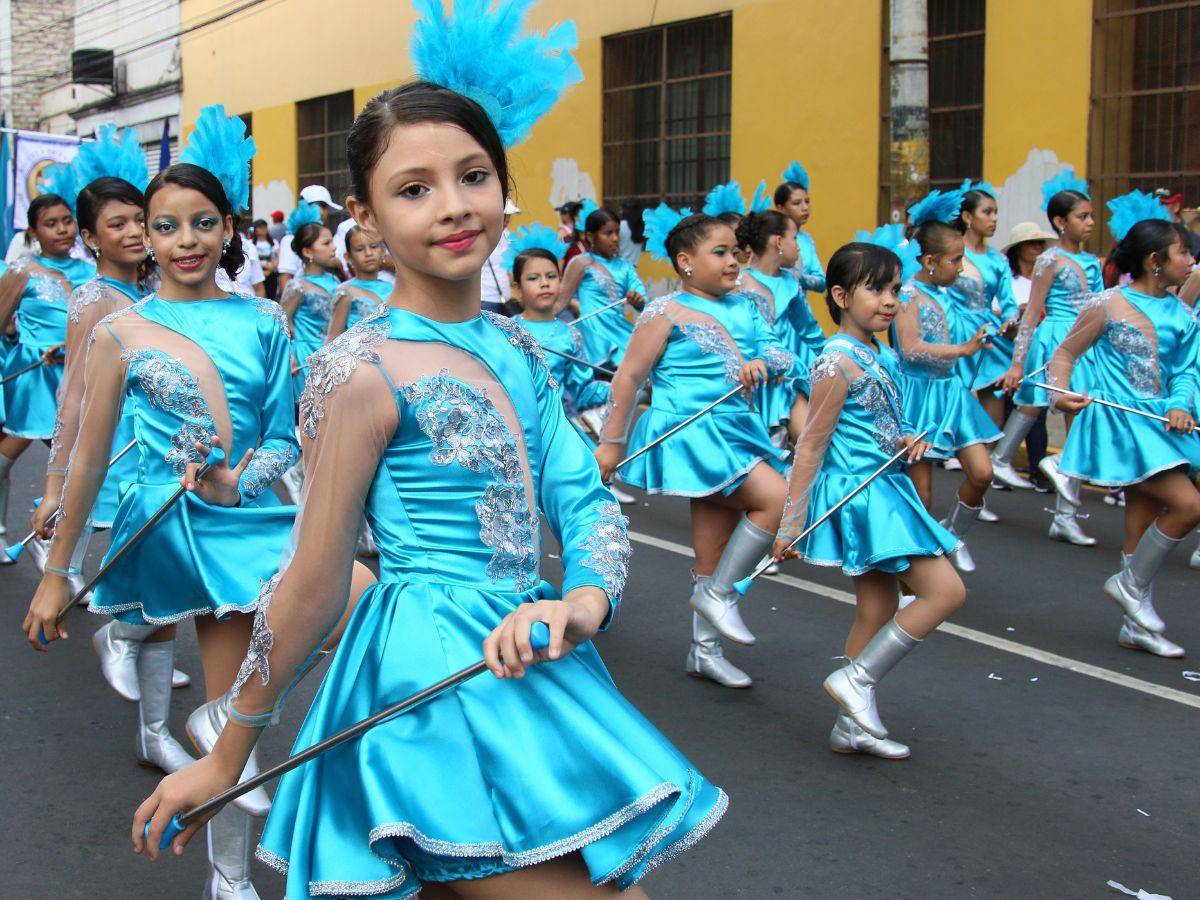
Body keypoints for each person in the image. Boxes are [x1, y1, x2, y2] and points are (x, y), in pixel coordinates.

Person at [134, 4, 728, 894]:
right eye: (413, 189)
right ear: (366, 215)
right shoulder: (357, 369)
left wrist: (584, 604)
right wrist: (230, 752)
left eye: (474, 175)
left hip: (525, 655)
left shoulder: (517, 347)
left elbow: (585, 498)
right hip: (427, 681)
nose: (453, 207)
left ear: (504, 186)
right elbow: (312, 576)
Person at [22, 106, 327, 897]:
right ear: (145, 238)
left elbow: (287, 436)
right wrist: (59, 569)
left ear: (229, 230)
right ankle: (230, 875)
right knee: (238, 716)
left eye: (202, 223)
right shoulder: (122, 330)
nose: (186, 241)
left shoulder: (265, 321)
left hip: (247, 515)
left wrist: (241, 481)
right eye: (166, 227)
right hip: (169, 525)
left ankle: (223, 848)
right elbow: (86, 454)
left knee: (278, 675)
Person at [776, 241, 964, 759]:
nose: (889, 300)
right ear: (839, 295)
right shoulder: (836, 359)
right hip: (865, 495)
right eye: (876, 289)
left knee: (877, 608)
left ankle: (850, 726)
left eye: (895, 290)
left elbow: (874, 425)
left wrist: (903, 440)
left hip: (885, 484)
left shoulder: (873, 353)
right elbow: (812, 442)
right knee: (946, 593)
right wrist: (790, 524)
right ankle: (856, 680)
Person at [596, 210, 798, 689]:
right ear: (686, 262)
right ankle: (720, 595)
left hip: (736, 429)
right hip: (692, 431)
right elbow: (629, 377)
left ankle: (704, 651)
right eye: (720, 252)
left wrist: (759, 363)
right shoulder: (664, 312)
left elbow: (781, 354)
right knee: (776, 497)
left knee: (713, 546)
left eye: (735, 252)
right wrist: (610, 443)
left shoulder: (747, 306)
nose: (734, 261)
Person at [1049, 215, 1199, 658]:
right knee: (1189, 505)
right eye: (1184, 253)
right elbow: (1065, 353)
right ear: (1156, 261)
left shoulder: (1182, 313)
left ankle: (1135, 624)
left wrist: (1180, 403)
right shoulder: (1107, 304)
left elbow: (1187, 371)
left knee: (1142, 516)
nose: (1191, 260)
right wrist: (1061, 395)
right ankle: (1129, 585)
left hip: (1161, 424)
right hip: (1120, 423)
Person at [891, 189, 998, 573]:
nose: (961, 267)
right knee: (921, 492)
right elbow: (910, 348)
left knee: (983, 473)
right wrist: (963, 350)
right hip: (918, 395)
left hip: (952, 393)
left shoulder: (950, 293)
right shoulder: (906, 294)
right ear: (931, 261)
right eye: (955, 260)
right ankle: (912, 570)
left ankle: (953, 533)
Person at [997, 170, 1103, 546]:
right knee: (1032, 406)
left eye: (1091, 216)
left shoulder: (1092, 261)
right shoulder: (1048, 261)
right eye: (1082, 216)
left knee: (1080, 418)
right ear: (1060, 222)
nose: (1090, 222)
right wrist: (1016, 363)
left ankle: (1065, 516)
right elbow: (1031, 314)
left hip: (1084, 342)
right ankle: (1001, 461)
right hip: (1054, 338)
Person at [0, 193, 95, 534]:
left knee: (72, 461)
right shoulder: (21, 271)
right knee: (10, 451)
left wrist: (75, 347)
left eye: (67, 221)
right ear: (33, 232)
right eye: (50, 224)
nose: (62, 230)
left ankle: (50, 533)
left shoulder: (93, 271)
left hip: (77, 376)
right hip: (31, 375)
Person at [735, 209, 824, 444]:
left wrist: (833, 358)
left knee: (811, 446)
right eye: (794, 238)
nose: (799, 246)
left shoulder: (791, 283)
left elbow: (811, 332)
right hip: (747, 379)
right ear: (778, 242)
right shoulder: (737, 283)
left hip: (784, 380)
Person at [999, 222, 1056, 491]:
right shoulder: (1010, 281)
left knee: (1038, 412)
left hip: (1042, 353)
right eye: (1031, 243)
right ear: (1018, 249)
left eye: (1040, 243)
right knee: (1012, 410)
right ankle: (1000, 464)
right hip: (1009, 355)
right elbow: (1000, 314)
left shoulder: (1048, 279)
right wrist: (1020, 314)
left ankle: (1037, 470)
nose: (1037, 248)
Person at [558, 206, 646, 366]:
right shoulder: (580, 263)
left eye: (617, 232)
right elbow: (559, 303)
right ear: (591, 237)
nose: (615, 238)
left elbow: (643, 301)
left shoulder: (625, 266)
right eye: (608, 233)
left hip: (619, 331)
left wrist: (638, 299)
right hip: (592, 335)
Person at [279, 202, 341, 398]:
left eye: (332, 241)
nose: (334, 248)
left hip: (335, 357)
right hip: (307, 360)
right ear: (307, 252)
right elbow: (280, 323)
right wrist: (289, 357)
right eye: (326, 243)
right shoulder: (297, 286)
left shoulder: (334, 280)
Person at [326, 224, 392, 341]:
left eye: (373, 246)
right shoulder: (346, 292)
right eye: (360, 249)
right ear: (348, 257)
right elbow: (333, 337)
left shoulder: (392, 288)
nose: (368, 253)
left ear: (383, 251)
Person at [276, 184, 343, 296]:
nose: (320, 211)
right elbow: (285, 278)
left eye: (323, 206)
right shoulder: (290, 240)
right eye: (314, 205)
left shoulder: (333, 237)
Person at [774, 162, 826, 298]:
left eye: (807, 201)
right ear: (781, 208)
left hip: (800, 312)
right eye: (797, 203)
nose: (805, 207)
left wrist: (800, 277)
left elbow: (822, 281)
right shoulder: (771, 238)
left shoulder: (806, 240)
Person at [1153, 187, 1200, 258]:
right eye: (1154, 204)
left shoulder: (1189, 237)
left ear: (1176, 207)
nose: (1157, 208)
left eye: (1162, 204)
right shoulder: (1150, 232)